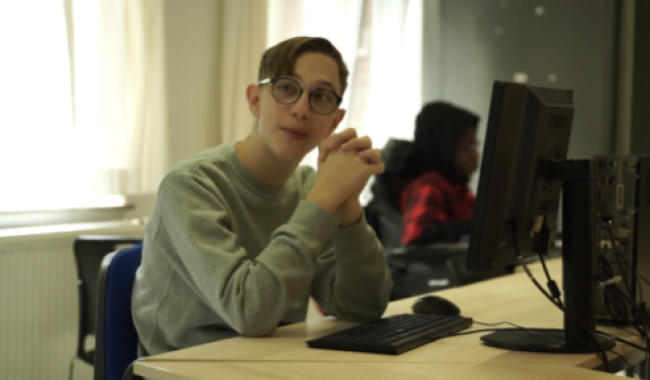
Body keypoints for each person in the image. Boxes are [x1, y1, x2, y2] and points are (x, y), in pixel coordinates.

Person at [132, 36, 393, 356]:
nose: (300, 109)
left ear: (334, 122)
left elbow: (362, 308)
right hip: (186, 367)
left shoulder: (309, 187)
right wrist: (323, 199)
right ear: (255, 100)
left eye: (320, 96)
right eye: (286, 88)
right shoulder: (190, 184)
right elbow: (249, 313)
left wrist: (348, 207)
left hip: (275, 361)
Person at [399, 101, 480, 246]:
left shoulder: (458, 189)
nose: (476, 155)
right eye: (468, 147)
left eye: (475, 146)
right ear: (444, 145)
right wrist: (473, 225)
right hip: (443, 267)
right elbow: (416, 234)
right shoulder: (429, 184)